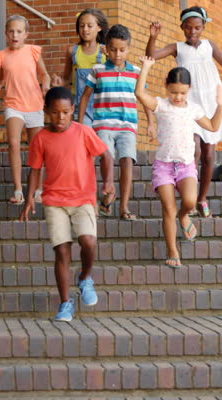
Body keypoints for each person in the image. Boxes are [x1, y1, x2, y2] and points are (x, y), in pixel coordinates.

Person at [20, 87, 115, 321]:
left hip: (83, 199)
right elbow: (34, 170)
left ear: (73, 110)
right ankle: (65, 303)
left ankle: (85, 277)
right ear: (46, 112)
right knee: (62, 251)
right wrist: (30, 197)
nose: (60, 118)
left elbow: (106, 156)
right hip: (54, 202)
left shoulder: (83, 132)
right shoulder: (41, 138)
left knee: (88, 241)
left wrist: (109, 182)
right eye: (54, 113)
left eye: (65, 112)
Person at [135, 56, 222, 268]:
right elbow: (139, 94)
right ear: (166, 87)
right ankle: (172, 250)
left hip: (185, 167)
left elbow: (211, 126)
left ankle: (184, 217)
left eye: (182, 93)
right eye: (173, 92)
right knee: (168, 210)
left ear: (189, 89)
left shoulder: (193, 109)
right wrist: (145, 67)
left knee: (190, 202)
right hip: (164, 166)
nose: (177, 97)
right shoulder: (161, 105)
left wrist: (220, 106)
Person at [145, 6, 222, 218]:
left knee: (208, 154)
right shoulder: (177, 48)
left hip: (210, 103)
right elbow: (151, 56)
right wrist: (153, 38)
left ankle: (202, 198)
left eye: (197, 27)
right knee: (195, 149)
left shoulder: (209, 46)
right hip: (188, 104)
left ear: (203, 27)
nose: (193, 31)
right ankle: (188, 190)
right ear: (182, 27)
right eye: (188, 28)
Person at [78, 24, 156, 220]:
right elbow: (85, 96)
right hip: (103, 123)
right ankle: (109, 190)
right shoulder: (98, 70)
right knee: (107, 156)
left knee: (127, 160)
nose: (117, 54)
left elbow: (144, 98)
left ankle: (124, 206)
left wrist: (151, 122)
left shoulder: (136, 71)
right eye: (113, 49)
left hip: (128, 125)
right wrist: (79, 123)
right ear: (106, 47)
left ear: (128, 48)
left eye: (122, 50)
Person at [0, 14, 50, 204]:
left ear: (26, 34)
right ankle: (18, 191)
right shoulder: (1, 56)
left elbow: (44, 75)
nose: (15, 35)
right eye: (11, 31)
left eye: (19, 31)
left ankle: (38, 189)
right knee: (13, 143)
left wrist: (45, 86)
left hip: (34, 104)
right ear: (6, 34)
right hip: (13, 104)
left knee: (36, 149)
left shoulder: (33, 51)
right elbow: (0, 77)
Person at [51, 8, 108, 126]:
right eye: (82, 26)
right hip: (79, 107)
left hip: (102, 107)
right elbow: (67, 79)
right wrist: (59, 83)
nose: (85, 29)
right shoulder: (72, 51)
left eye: (89, 26)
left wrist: (110, 58)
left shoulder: (105, 51)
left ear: (99, 27)